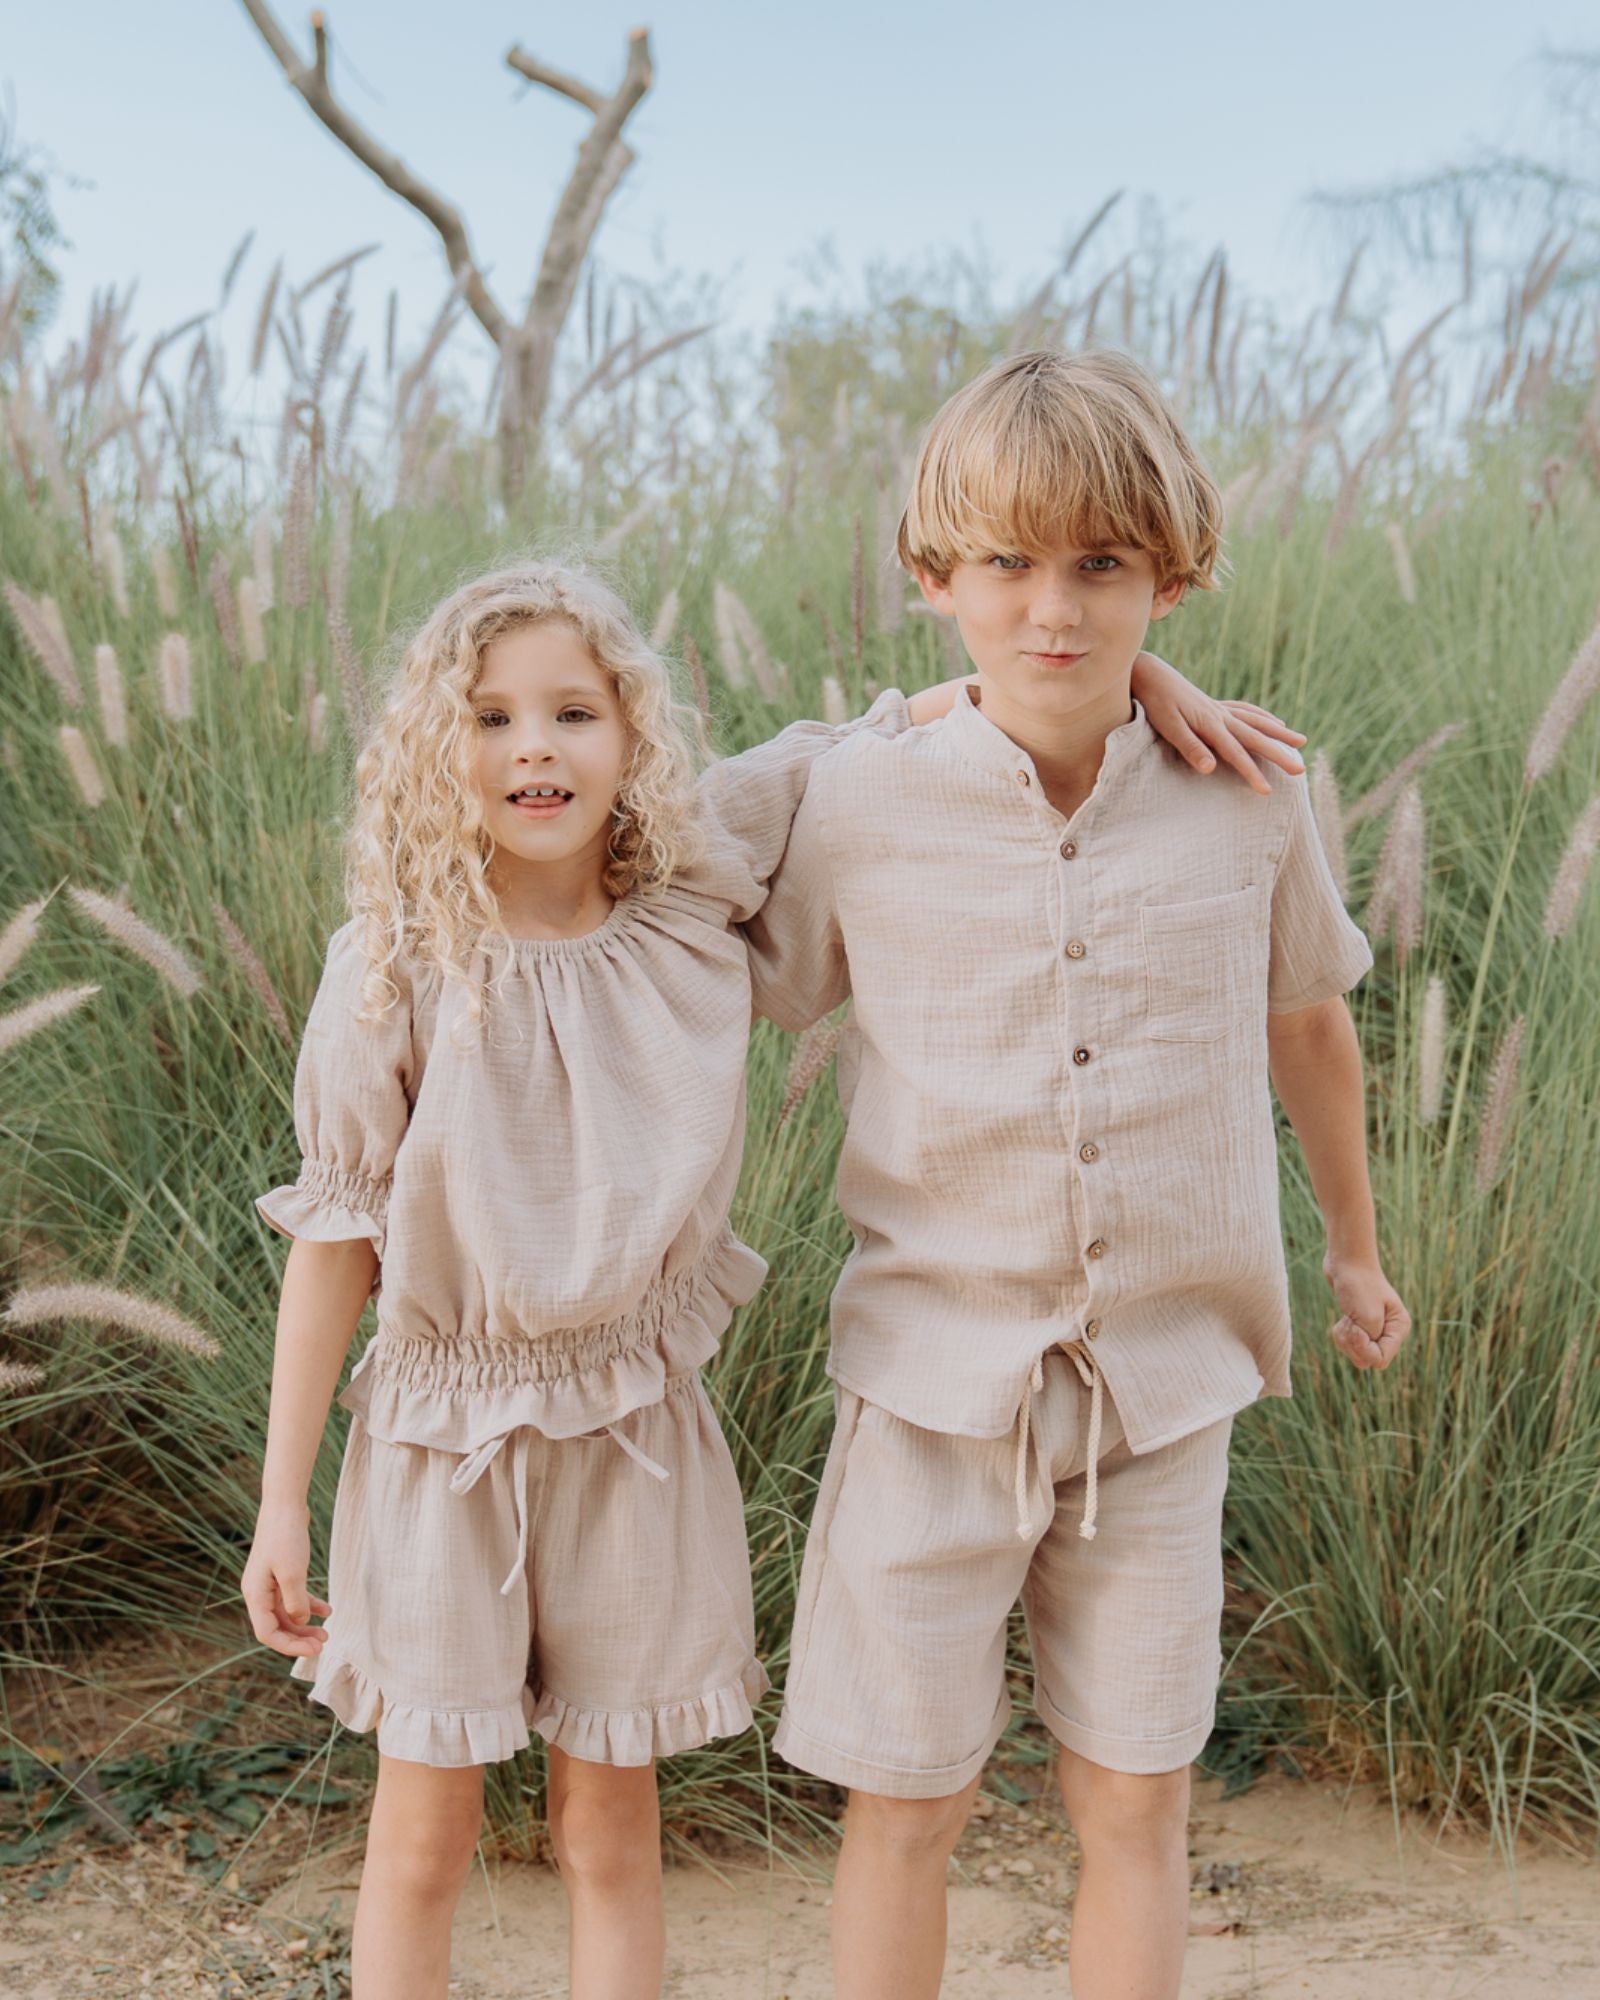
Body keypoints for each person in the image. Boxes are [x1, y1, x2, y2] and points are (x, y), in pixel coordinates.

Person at [239, 555, 1305, 2000]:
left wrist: (1126, 685)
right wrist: (283, 1496)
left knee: (612, 1831)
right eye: (490, 720)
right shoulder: (389, 968)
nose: (535, 748)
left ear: (635, 739)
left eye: (573, 713)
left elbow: (864, 748)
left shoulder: (684, 905)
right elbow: (337, 1243)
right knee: (421, 1836)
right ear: (437, 747)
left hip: (634, 1434)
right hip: (440, 1445)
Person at [741, 349, 1413, 2000]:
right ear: (933, 579)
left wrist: (1350, 1245)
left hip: (1162, 1393)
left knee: (1136, 1796)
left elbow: (1308, 1023)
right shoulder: (860, 802)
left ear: (1167, 579)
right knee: (908, 1797)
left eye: (1103, 568)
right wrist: (875, 726)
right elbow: (662, 887)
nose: (1056, 608)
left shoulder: (1248, 799)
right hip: (929, 1385)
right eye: (1009, 566)